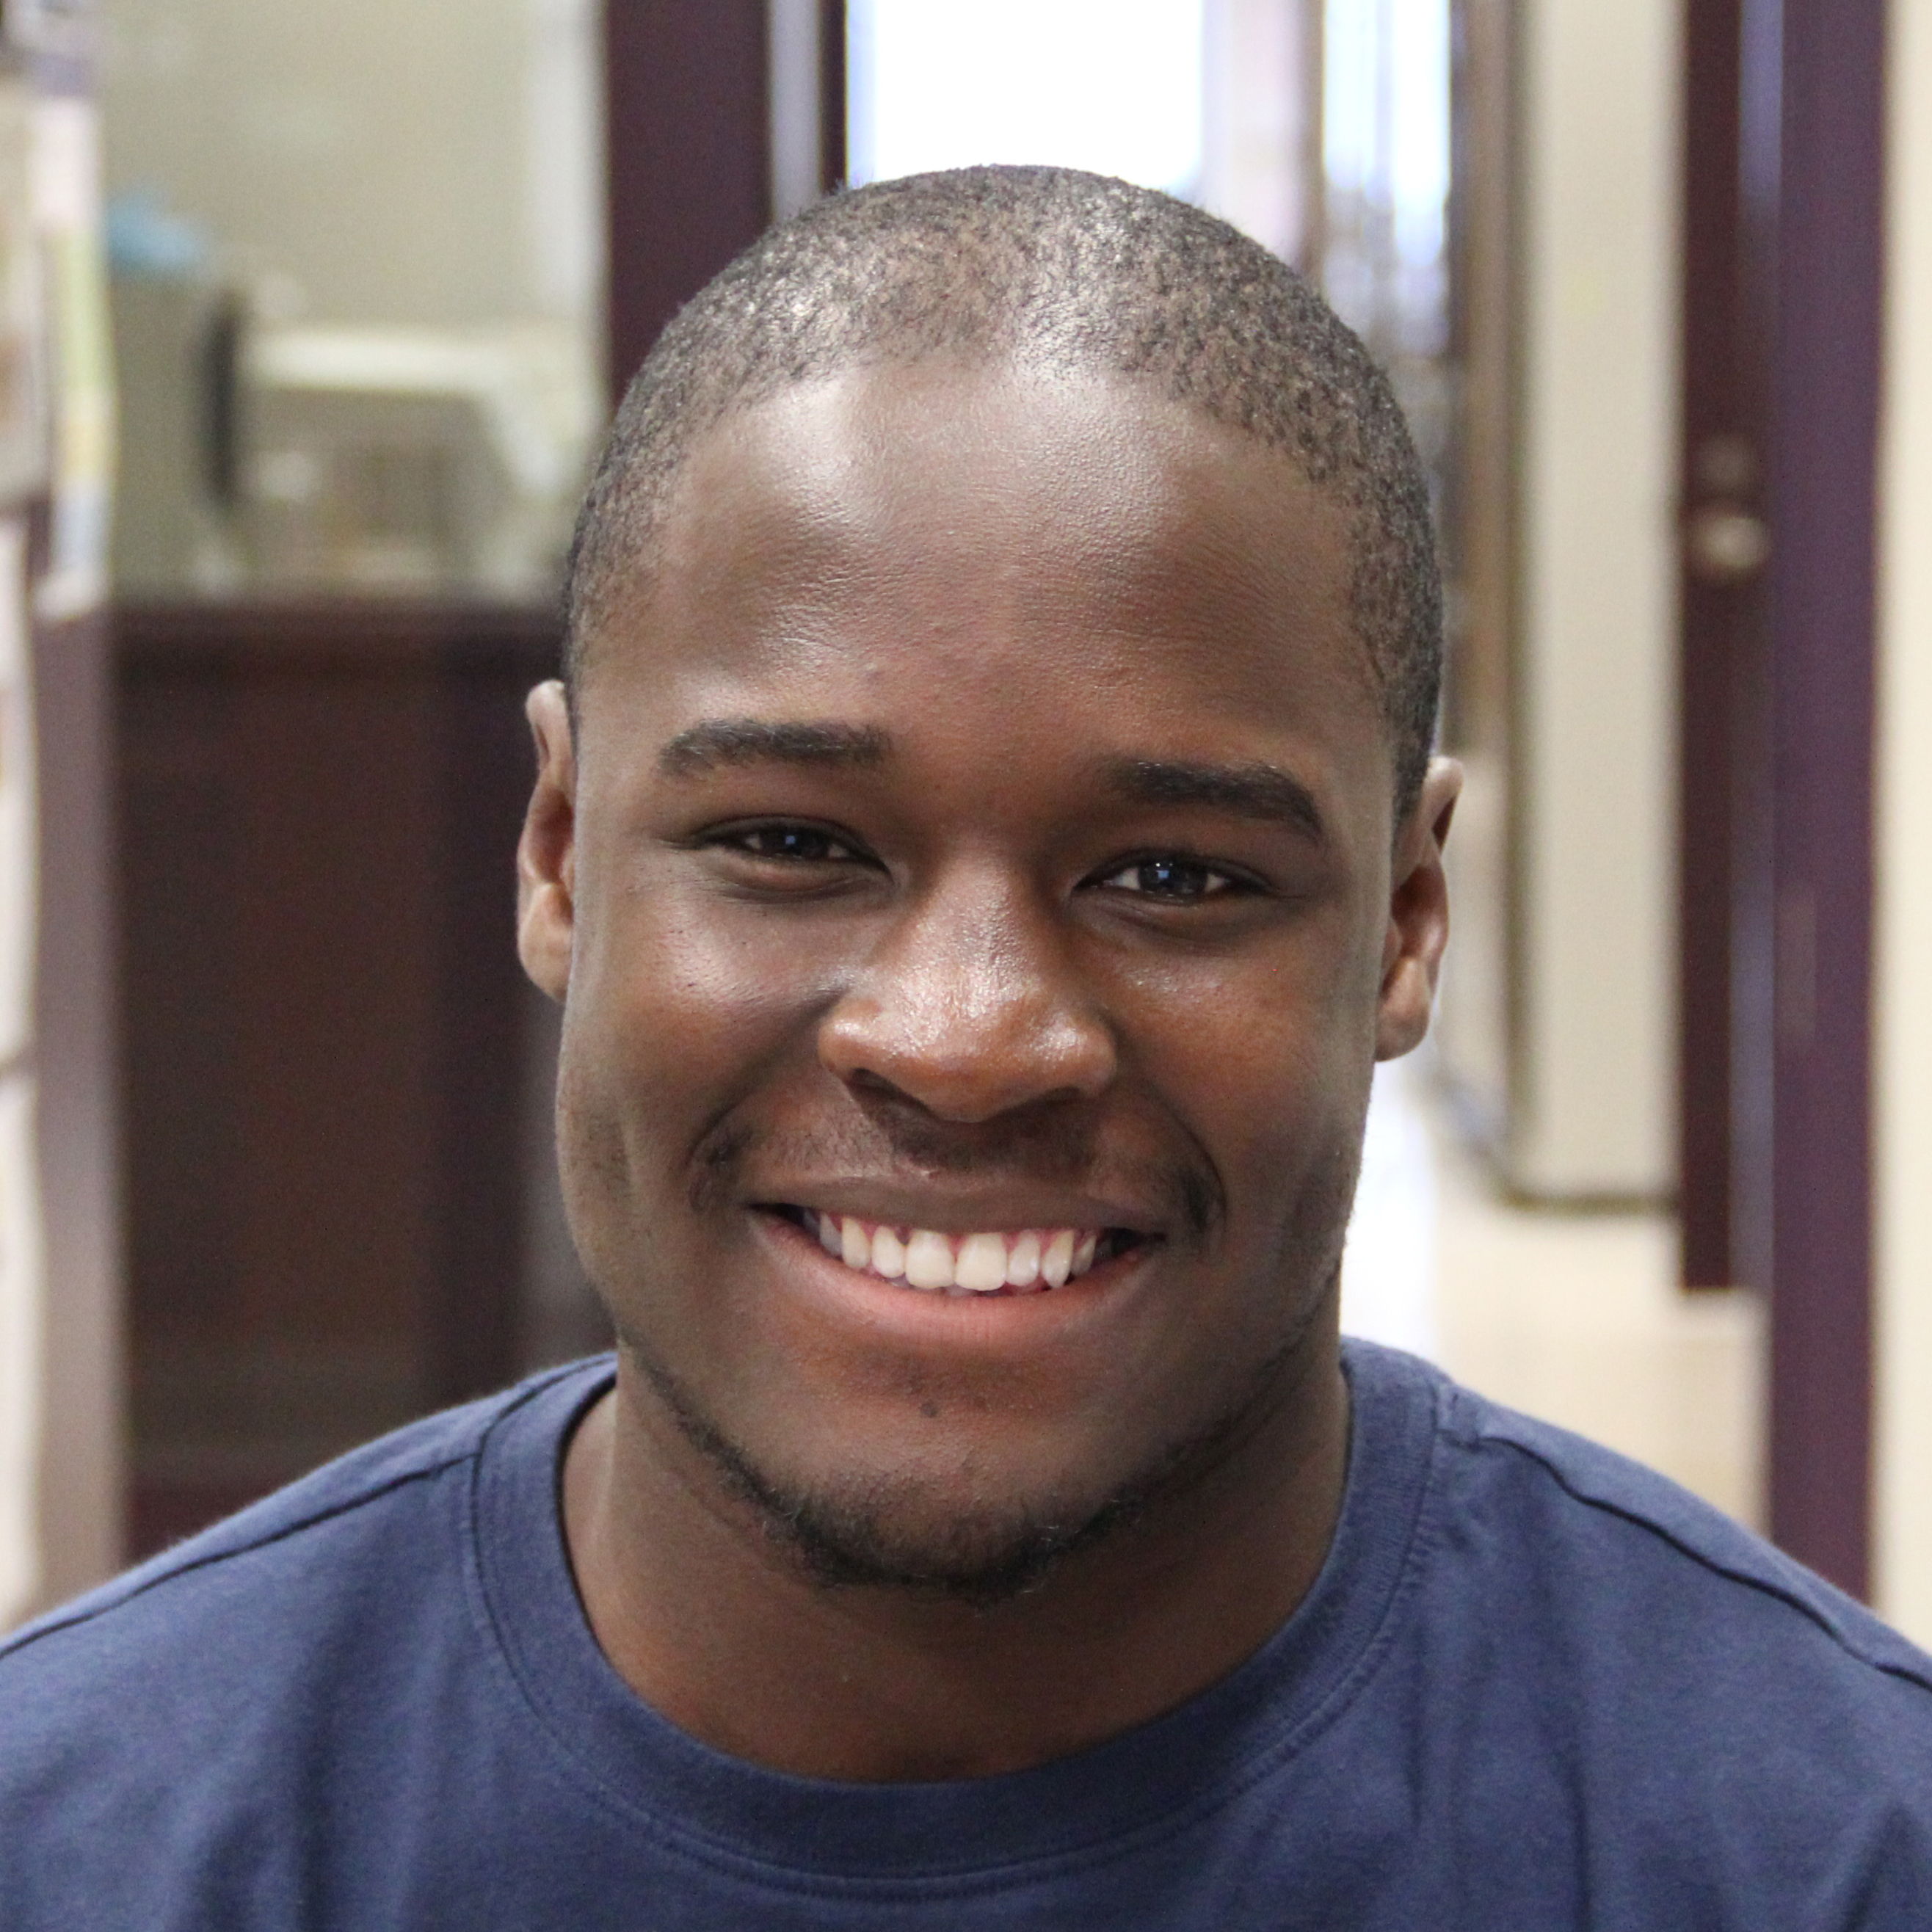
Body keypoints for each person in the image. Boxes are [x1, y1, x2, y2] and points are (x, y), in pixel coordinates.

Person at [4, 165, 1930, 1928]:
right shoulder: (92, 1835)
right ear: (564, 853)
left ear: (1405, 922)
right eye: (790, 845)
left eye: (1172, 873)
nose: (968, 1036)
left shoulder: (1821, 1848)